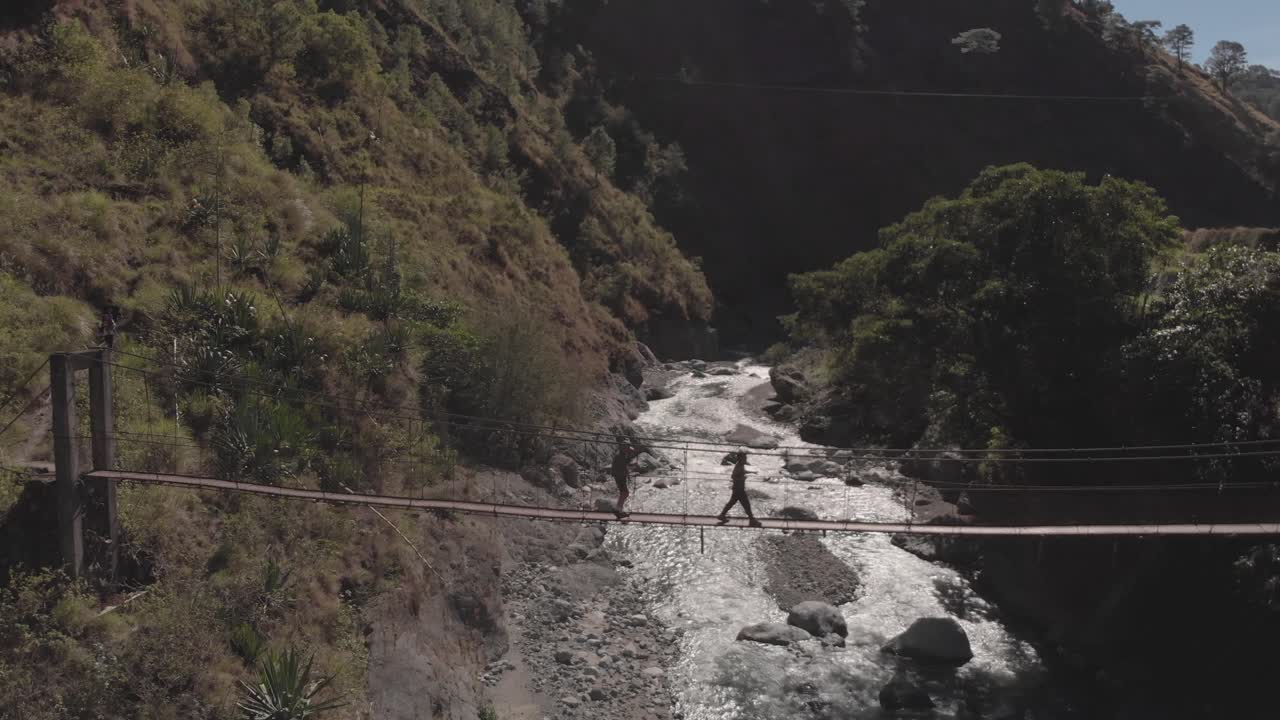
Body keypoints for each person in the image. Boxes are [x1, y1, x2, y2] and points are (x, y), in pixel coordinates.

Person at [717, 447, 762, 527]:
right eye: (745, 457)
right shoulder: (739, 466)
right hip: (739, 489)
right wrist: (742, 477)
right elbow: (734, 475)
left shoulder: (740, 465)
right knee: (746, 505)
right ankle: (752, 520)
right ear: (741, 458)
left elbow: (741, 472)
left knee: (732, 503)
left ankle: (722, 515)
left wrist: (751, 472)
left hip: (737, 489)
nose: (746, 459)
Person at [611, 437, 639, 519]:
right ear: (624, 448)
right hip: (619, 475)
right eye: (627, 448)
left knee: (624, 493)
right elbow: (625, 465)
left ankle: (619, 509)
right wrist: (634, 467)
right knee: (624, 493)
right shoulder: (620, 456)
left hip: (620, 475)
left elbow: (625, 465)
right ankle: (618, 510)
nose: (628, 450)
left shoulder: (622, 454)